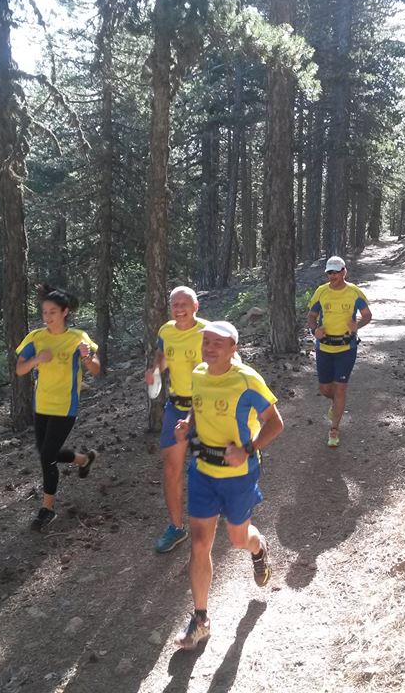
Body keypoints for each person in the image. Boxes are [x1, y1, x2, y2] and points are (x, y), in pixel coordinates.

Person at [172, 321, 284, 651]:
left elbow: (276, 423)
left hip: (239, 475)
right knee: (199, 545)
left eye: (217, 343)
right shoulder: (199, 373)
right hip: (202, 471)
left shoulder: (247, 380)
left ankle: (258, 547)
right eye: (206, 342)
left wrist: (247, 449)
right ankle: (201, 620)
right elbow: (197, 406)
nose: (209, 348)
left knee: (238, 539)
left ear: (233, 348)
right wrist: (187, 424)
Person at [15, 284, 101, 531]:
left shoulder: (77, 338)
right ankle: (84, 459)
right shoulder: (36, 338)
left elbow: (96, 369)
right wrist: (36, 359)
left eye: (52, 312)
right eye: (44, 312)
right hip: (41, 405)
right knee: (45, 452)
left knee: (46, 456)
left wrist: (87, 357)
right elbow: (20, 369)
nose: (47, 316)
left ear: (65, 312)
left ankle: (47, 509)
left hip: (65, 406)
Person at [144, 286, 208, 553]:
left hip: (206, 407)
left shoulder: (208, 332)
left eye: (184, 304)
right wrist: (155, 371)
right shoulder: (166, 331)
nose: (179, 309)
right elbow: (162, 355)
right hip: (176, 406)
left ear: (196, 307)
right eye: (175, 304)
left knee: (207, 469)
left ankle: (213, 519)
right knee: (172, 469)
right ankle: (176, 527)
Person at [307, 255, 372, 448]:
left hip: (346, 347)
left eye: (336, 272)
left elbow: (367, 315)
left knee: (341, 387)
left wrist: (357, 325)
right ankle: (336, 404)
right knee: (325, 389)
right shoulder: (321, 292)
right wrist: (314, 330)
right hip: (324, 347)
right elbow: (311, 315)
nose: (332, 276)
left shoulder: (354, 292)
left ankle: (334, 429)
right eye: (329, 272)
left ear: (344, 272)